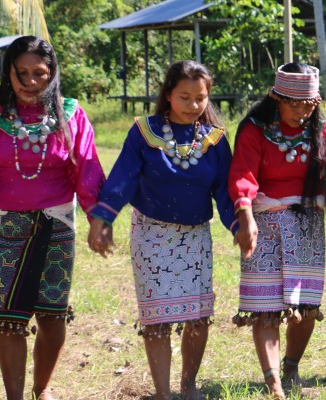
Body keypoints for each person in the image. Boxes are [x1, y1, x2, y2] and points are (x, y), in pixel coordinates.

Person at [228, 63, 326, 399]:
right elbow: (243, 175)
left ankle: (291, 366)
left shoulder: (320, 130)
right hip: (264, 222)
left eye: (308, 105)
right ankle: (272, 382)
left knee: (305, 307)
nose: (301, 112)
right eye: (293, 104)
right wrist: (245, 215)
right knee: (265, 306)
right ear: (276, 98)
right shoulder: (255, 129)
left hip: (306, 225)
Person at [87, 60, 237, 400]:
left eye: (200, 98)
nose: (193, 105)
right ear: (168, 95)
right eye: (184, 97)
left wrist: (239, 226)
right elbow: (123, 177)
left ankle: (188, 385)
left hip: (196, 236)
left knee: (198, 317)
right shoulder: (144, 131)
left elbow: (225, 192)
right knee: (157, 320)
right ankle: (162, 392)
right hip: (152, 235)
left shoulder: (214, 139)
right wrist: (104, 217)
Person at [0, 35, 105, 400]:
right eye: (23, 73)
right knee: (8, 318)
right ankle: (14, 397)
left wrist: (97, 217)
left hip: (57, 223)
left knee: (52, 315)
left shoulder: (69, 113)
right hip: (3, 224)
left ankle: (42, 388)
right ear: (9, 72)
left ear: (52, 73)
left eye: (40, 73)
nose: (32, 82)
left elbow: (87, 167)